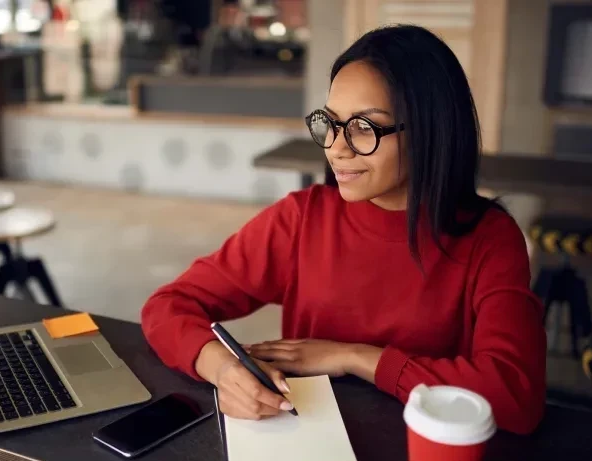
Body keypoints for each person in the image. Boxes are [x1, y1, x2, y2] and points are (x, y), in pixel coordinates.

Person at [141, 25, 547, 435]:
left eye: (365, 127)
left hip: (424, 455)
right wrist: (223, 368)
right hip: (308, 445)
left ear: (429, 130)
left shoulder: (490, 240)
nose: (336, 146)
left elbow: (515, 394)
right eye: (331, 123)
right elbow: (168, 306)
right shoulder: (302, 219)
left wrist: (355, 357)